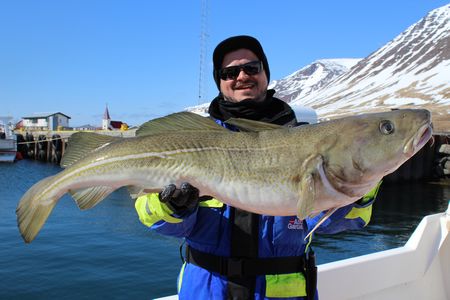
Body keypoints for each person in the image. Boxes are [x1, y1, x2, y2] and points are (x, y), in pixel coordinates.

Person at [135, 35, 380, 300]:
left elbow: (336, 223)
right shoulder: (192, 140)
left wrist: (362, 185)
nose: (241, 76)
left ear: (265, 73)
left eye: (251, 68)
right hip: (207, 290)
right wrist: (173, 207)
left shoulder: (307, 140)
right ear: (219, 81)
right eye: (229, 72)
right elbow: (159, 222)